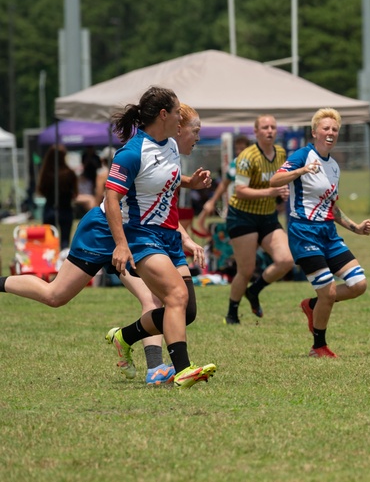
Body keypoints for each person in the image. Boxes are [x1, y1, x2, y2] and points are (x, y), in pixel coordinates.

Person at [1, 88, 215, 388]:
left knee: (177, 302)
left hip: (144, 233)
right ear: (164, 115)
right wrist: (121, 244)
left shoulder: (169, 145)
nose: (182, 116)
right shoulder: (130, 152)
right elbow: (112, 199)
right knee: (55, 296)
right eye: (178, 111)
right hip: (107, 230)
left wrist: (191, 182)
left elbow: (163, 182)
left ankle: (157, 359)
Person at [270, 108, 370, 358]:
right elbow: (275, 181)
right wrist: (301, 171)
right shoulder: (303, 155)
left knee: (359, 284)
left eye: (335, 129)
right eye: (326, 128)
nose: (330, 133)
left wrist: (356, 228)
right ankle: (318, 346)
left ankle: (313, 305)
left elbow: (332, 207)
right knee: (327, 290)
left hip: (327, 232)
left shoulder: (334, 166)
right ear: (315, 132)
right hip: (303, 232)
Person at [223, 115, 294, 325]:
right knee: (245, 270)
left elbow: (282, 180)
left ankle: (254, 291)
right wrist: (271, 192)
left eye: (273, 127)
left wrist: (282, 195)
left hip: (268, 216)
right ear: (256, 132)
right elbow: (240, 191)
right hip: (242, 216)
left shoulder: (281, 153)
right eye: (265, 127)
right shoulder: (247, 156)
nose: (270, 131)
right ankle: (232, 313)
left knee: (286, 260)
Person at [194, 134, 251, 235]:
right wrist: (212, 201)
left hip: (253, 207)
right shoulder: (233, 164)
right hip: (236, 208)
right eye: (237, 149)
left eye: (242, 149)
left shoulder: (254, 163)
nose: (239, 152)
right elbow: (224, 184)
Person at [36, 144, 77, 249]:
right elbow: (75, 194)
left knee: (49, 243)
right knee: (64, 242)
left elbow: (40, 191)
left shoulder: (46, 173)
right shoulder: (69, 173)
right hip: (65, 208)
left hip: (50, 208)